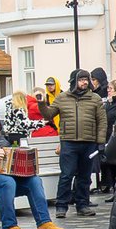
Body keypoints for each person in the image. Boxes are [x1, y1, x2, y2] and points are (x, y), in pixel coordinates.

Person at [41, 69, 107, 219]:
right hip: (69, 142)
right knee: (66, 175)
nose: (85, 82)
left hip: (89, 142)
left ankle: (82, 205)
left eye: (86, 79)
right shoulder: (62, 98)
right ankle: (61, 206)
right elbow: (49, 115)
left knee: (84, 176)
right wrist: (41, 104)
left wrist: (100, 142)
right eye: (81, 79)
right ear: (73, 81)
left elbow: (102, 121)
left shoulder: (95, 98)